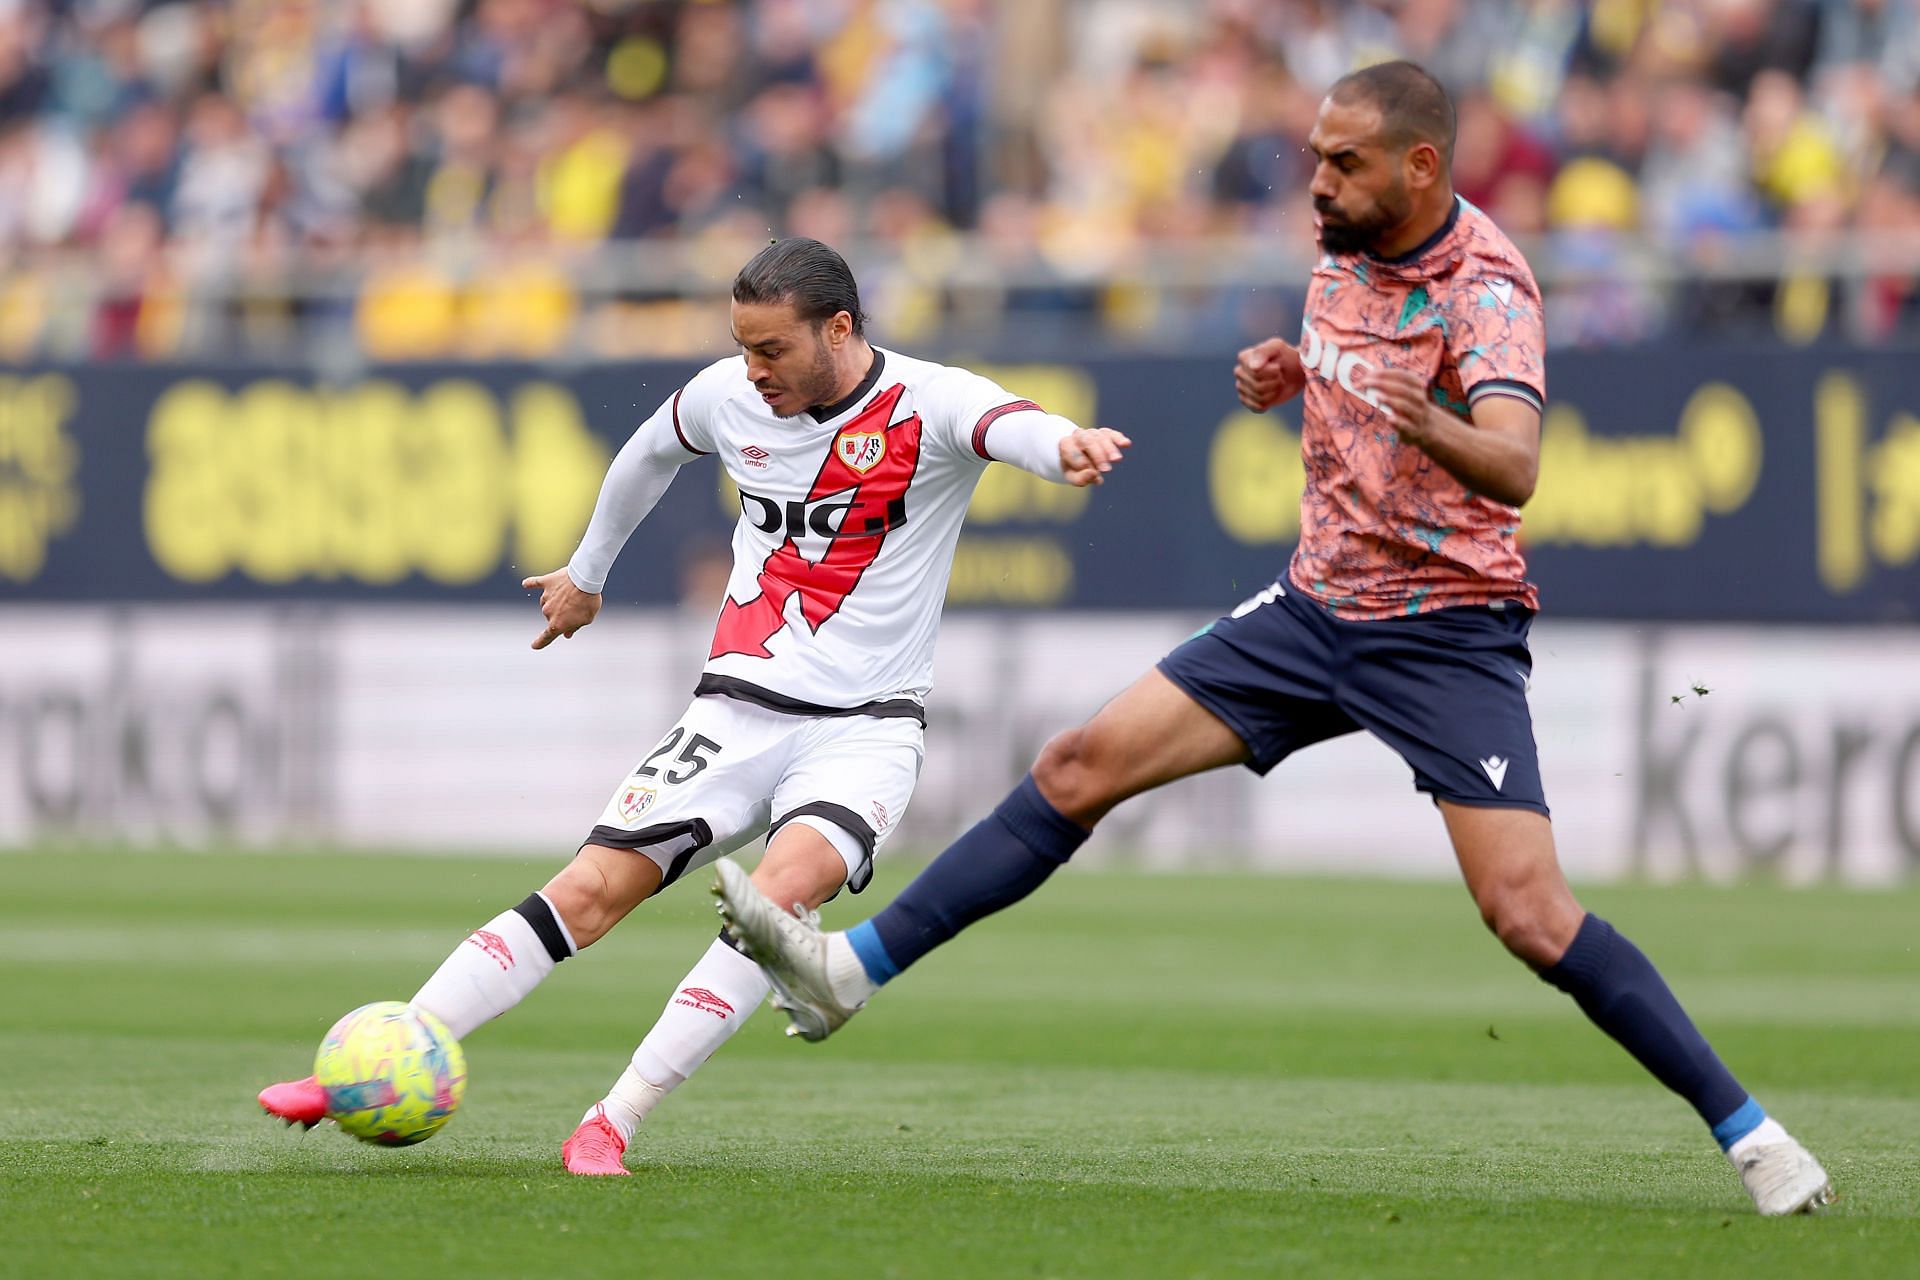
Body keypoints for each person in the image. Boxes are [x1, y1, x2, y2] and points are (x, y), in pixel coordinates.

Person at [711, 64, 1834, 1218]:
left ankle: (1754, 1136)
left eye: (1344, 162)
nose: (1318, 181)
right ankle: (852, 969)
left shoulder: (1486, 286)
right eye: (1314, 155)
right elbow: (1360, 383)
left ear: (1421, 167)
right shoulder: (1344, 245)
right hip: (1311, 611)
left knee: (1529, 914)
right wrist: (1301, 375)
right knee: (1074, 765)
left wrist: (1419, 411)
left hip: (1443, 631)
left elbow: (1517, 462)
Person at [256, 237, 1131, 1175]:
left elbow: (1012, 423)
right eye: (742, 348)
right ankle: (379, 1066)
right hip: (733, 714)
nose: (753, 374)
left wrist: (1064, 447)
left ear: (840, 329)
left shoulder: (928, 401)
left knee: (775, 902)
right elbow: (646, 453)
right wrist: (587, 577)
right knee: (589, 891)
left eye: (772, 351)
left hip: (865, 731)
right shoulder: (727, 396)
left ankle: (614, 1119)